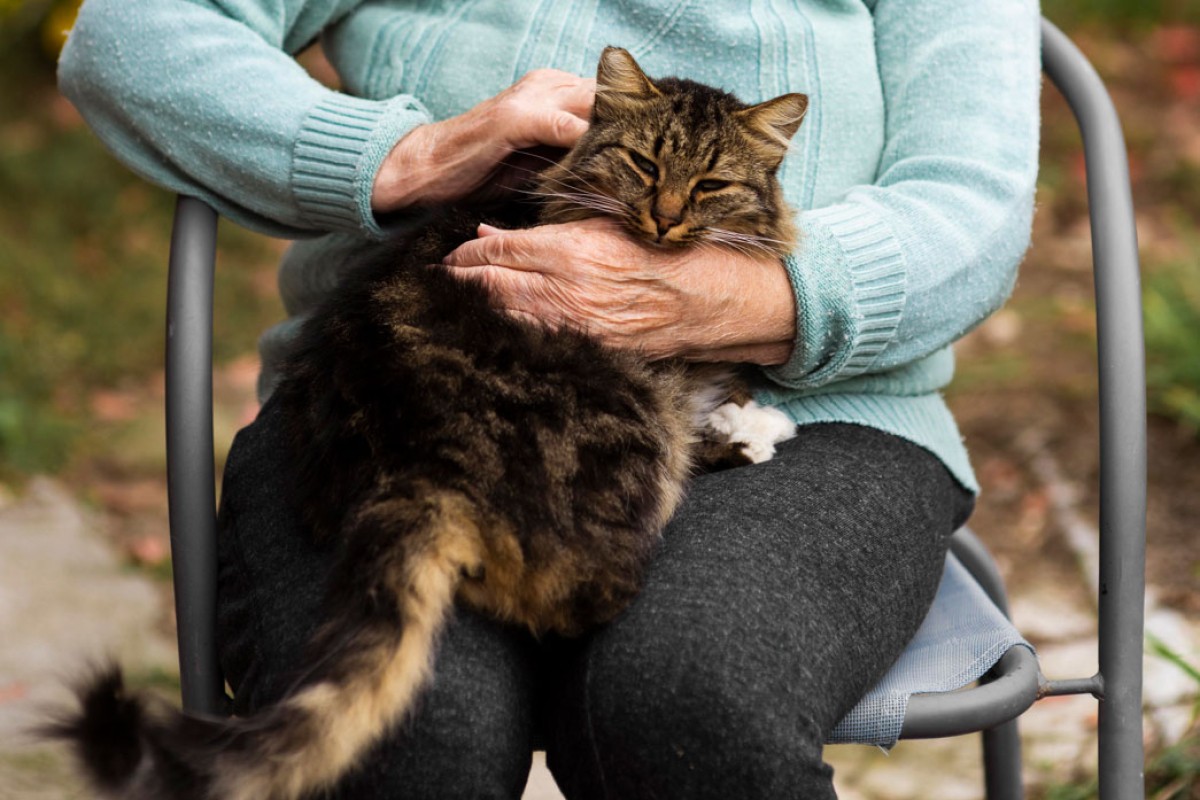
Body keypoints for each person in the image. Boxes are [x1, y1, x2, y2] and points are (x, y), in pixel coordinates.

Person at [58, 1, 1041, 797]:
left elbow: (971, 204)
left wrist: (712, 303)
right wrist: (397, 156)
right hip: (400, 396)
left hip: (815, 419)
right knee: (409, 734)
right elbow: (134, 33)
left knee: (693, 700)